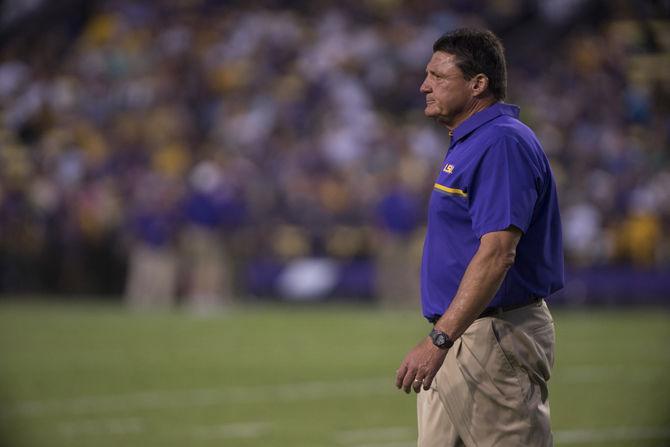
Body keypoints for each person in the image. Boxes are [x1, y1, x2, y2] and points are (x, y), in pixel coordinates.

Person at [394, 28, 564, 446]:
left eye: (438, 76)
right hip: (462, 333)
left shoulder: (501, 142)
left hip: (492, 337)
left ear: (477, 84)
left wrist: (439, 339)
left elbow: (497, 253)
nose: (424, 85)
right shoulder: (472, 141)